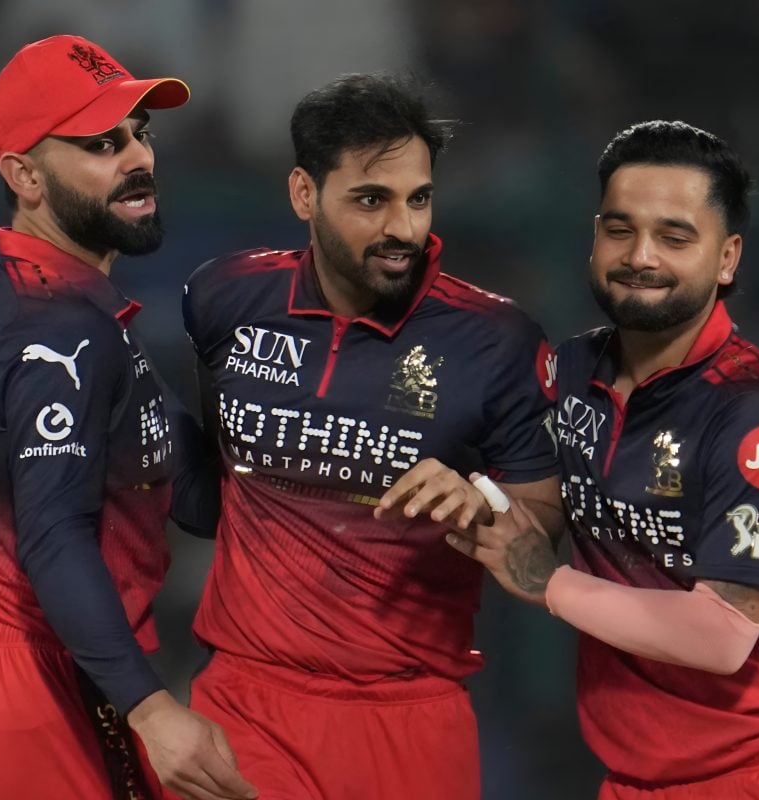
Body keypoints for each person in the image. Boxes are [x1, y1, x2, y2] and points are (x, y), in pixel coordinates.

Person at [448, 120, 759, 799]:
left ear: (727, 258)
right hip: (644, 777)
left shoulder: (757, 412)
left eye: (674, 237)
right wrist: (472, 494)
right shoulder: (569, 372)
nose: (640, 255)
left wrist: (547, 582)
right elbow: (530, 500)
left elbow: (723, 635)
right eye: (619, 229)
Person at [179, 73, 564, 800]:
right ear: (304, 194)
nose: (403, 229)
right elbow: (214, 471)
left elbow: (543, 536)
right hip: (244, 704)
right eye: (370, 200)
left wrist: (482, 503)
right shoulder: (224, 297)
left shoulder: (497, 341)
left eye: (418, 199)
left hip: (410, 719)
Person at [0, 34, 256, 800]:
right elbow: (54, 535)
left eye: (139, 133)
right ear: (23, 175)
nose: (138, 158)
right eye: (100, 144)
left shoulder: (37, 297)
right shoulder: (62, 330)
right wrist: (153, 709)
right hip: (33, 689)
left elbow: (192, 497)